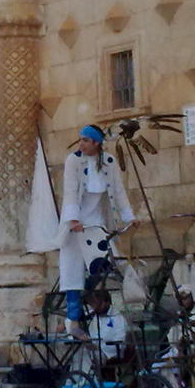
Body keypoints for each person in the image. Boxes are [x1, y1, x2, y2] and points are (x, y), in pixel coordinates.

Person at [56, 124, 139, 338]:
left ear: (96, 143)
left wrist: (129, 217)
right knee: (72, 273)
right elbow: (71, 191)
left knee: (109, 267)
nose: (81, 144)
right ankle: (73, 322)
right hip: (77, 225)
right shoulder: (73, 160)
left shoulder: (109, 162)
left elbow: (118, 192)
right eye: (80, 139)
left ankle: (109, 313)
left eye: (85, 140)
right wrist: (73, 220)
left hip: (97, 223)